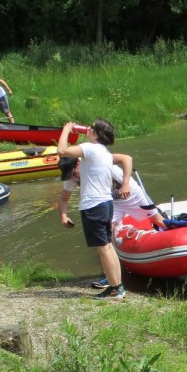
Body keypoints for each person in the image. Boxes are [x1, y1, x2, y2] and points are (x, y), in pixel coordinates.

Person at [59, 156, 170, 289]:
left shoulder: (97, 160)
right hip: (112, 203)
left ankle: (174, 241)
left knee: (157, 220)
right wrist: (64, 216)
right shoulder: (72, 178)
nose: (73, 177)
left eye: (73, 173)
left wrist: (125, 183)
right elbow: (63, 200)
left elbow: (126, 159)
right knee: (104, 239)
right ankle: (110, 277)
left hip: (132, 195)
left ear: (78, 164)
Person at [56, 119, 130, 299]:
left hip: (93, 205)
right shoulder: (104, 152)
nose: (87, 129)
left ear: (97, 134)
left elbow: (62, 151)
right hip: (105, 204)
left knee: (103, 248)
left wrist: (66, 130)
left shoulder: (91, 148)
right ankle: (118, 286)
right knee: (108, 246)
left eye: (91, 128)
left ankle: (114, 289)